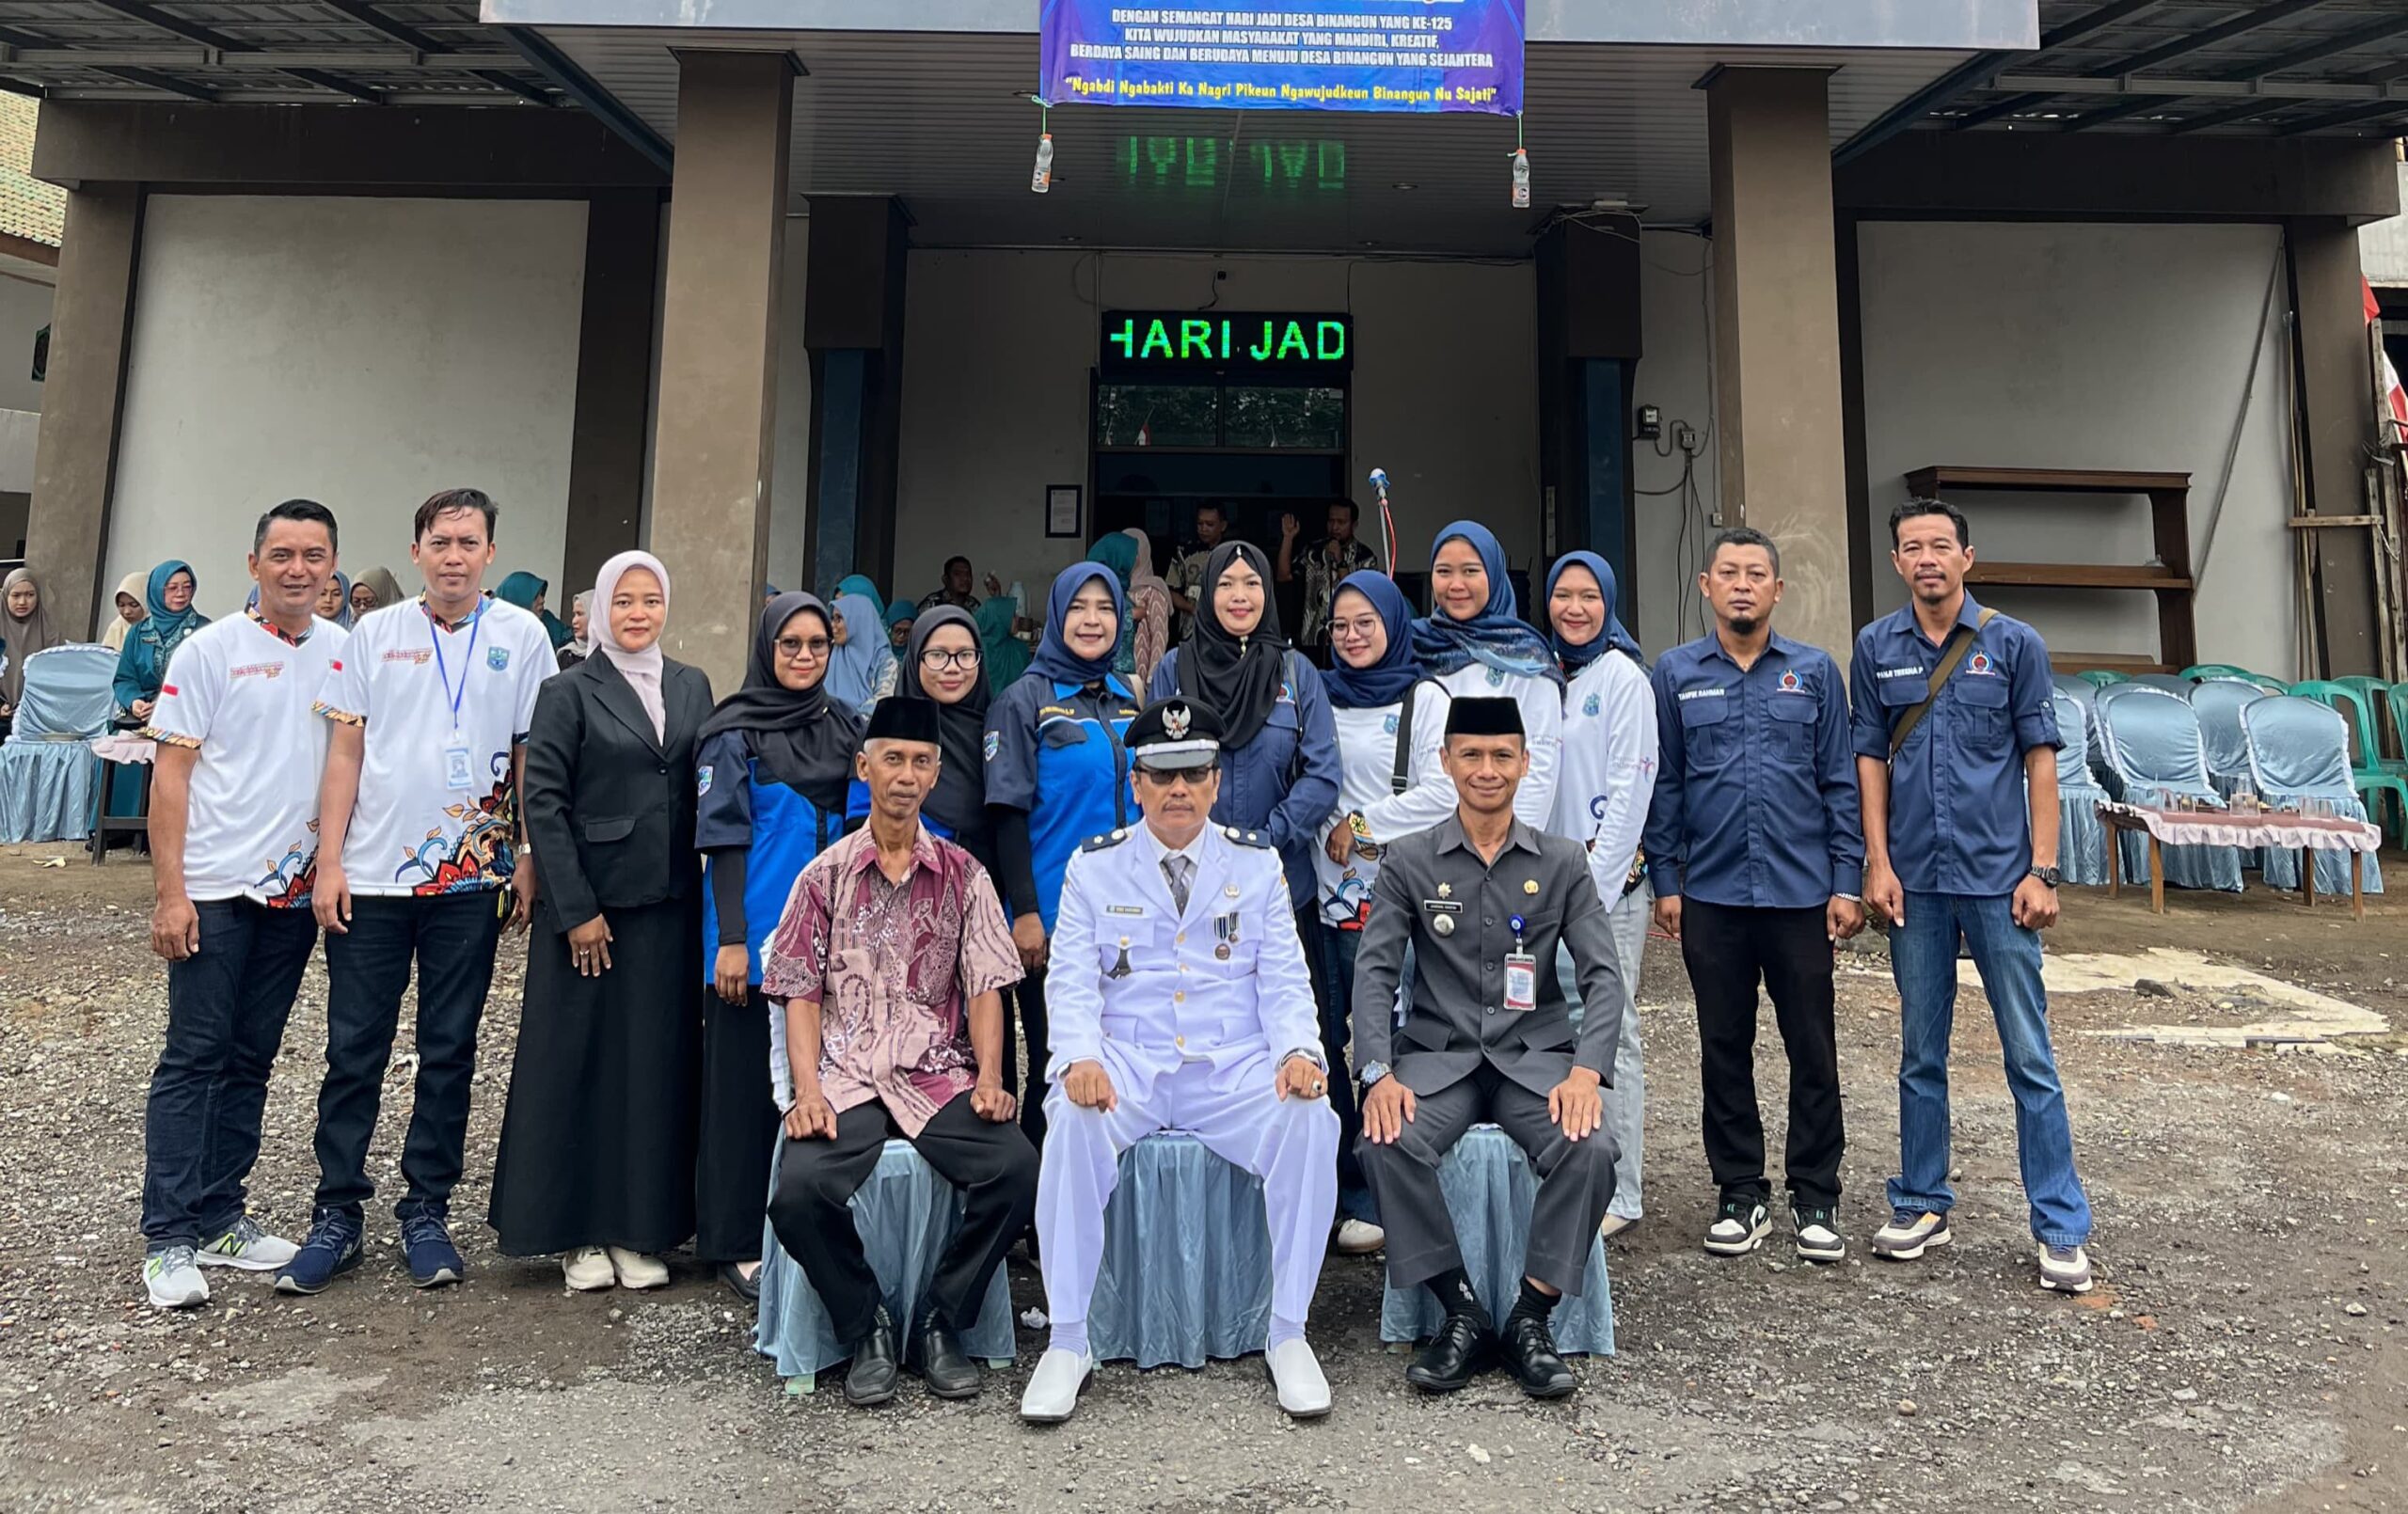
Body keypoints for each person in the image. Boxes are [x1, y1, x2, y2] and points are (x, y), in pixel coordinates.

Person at [1021, 699, 1339, 1424]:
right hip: (1128, 1064)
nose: (1178, 790)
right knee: (1070, 1121)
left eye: (1194, 773)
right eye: (1161, 775)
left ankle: (1288, 1331)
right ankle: (1068, 1340)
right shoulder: (1095, 866)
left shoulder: (1255, 863)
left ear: (1216, 782)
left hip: (1228, 1067)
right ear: (1135, 784)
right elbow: (1070, 981)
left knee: (1310, 1117)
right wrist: (1080, 1056)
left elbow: (1284, 979)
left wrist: (1298, 1051)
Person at [278, 488, 555, 1295]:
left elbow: (532, 753)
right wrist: (329, 861)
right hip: (370, 878)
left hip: (470, 878)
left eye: (468, 542)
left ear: (490, 553)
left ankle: (426, 1209)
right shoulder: (374, 633)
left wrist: (529, 852)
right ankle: (337, 1212)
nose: (453, 557)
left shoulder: (523, 636)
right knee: (353, 1049)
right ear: (416, 552)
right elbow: (344, 752)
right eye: (440, 542)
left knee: (450, 1047)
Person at [1852, 497, 2094, 1295]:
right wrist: (1877, 864)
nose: (1926, 558)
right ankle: (1921, 1201)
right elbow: (1869, 761)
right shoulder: (1875, 647)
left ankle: (2059, 1224)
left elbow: (2040, 759)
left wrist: (2043, 870)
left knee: (2029, 1056)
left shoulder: (2014, 643)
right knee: (1920, 1054)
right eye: (1911, 547)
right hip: (1915, 885)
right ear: (1897, 562)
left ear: (1967, 556)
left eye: (1939, 545)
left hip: (1999, 884)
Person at [1353, 696, 1626, 1399]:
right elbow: (1375, 972)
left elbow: (1603, 976)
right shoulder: (1409, 860)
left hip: (1534, 1061)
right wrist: (1377, 1072)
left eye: (1502, 755)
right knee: (1384, 1141)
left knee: (1593, 1147)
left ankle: (1531, 1317)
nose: (1487, 769)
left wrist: (1587, 1072)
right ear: (1445, 762)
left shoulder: (1562, 862)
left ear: (1525, 763)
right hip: (1438, 1059)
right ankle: (1463, 1312)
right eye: (1471, 754)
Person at [763, 696, 1034, 1406]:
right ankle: (866, 1327)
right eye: (892, 760)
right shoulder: (822, 878)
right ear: (865, 767)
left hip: (934, 1075)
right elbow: (799, 993)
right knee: (797, 1196)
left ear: (936, 773)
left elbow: (985, 985)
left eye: (920, 762)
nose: (906, 776)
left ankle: (942, 1320)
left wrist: (991, 1078)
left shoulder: (966, 876)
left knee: (1016, 1171)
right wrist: (807, 1093)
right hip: (848, 1078)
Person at [136, 499, 347, 1309]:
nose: (298, 569)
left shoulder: (343, 653)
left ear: (332, 566)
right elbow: (171, 777)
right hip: (214, 888)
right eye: (282, 554)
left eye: (314, 555)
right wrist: (170, 893)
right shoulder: (209, 650)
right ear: (253, 564)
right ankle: (169, 1236)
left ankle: (222, 1217)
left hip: (292, 892)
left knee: (252, 1057)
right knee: (194, 1057)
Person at [491, 550, 715, 1290]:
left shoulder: (691, 684)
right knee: (577, 1064)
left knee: (651, 1066)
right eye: (624, 601)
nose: (638, 614)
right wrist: (576, 909)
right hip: (592, 909)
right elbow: (544, 801)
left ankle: (639, 1226)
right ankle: (575, 1232)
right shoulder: (567, 690)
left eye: (650, 600)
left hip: (669, 908)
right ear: (601, 611)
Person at [1643, 529, 1862, 1262]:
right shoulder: (1675, 673)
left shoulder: (1814, 672)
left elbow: (1839, 782)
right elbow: (1666, 783)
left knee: (1813, 1047)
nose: (1743, 585)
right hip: (1712, 894)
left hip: (1801, 895)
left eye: (1757, 574)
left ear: (1778, 589)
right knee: (1722, 1046)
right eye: (1730, 573)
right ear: (1706, 585)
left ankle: (1816, 1195)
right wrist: (1666, 881)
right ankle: (1740, 1191)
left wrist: (1846, 880)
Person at [694, 591, 864, 1301]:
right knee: (742, 1094)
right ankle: (735, 1239)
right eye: (789, 644)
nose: (803, 656)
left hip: (833, 939)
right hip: (756, 936)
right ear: (767, 648)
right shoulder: (732, 731)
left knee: (819, 1085)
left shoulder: (848, 725)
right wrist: (731, 941)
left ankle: (807, 1232)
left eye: (817, 644)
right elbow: (722, 838)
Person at [1312, 569, 1456, 1256]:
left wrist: (1363, 824)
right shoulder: (1317, 692)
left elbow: (1446, 792)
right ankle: (1342, 1184)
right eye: (1340, 625)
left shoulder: (1423, 698)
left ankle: (1389, 1189)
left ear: (1394, 623)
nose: (1352, 636)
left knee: (1393, 1044)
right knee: (1324, 1043)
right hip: (1320, 897)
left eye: (1365, 622)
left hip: (1396, 899)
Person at [983, 563, 1142, 1145]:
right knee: (1056, 1068)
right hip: (1054, 919)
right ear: (1055, 616)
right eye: (1078, 607)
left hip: (1131, 916)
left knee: (1121, 1063)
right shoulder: (1024, 700)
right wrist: (1025, 912)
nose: (1092, 620)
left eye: (1104, 608)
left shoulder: (1130, 697)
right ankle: (1043, 1195)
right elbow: (1006, 813)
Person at [1541, 551, 1656, 1244]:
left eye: (1589, 596)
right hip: (1541, 886)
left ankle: (1622, 1188)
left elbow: (1631, 790)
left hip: (1604, 890)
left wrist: (1592, 891)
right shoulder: (1546, 675)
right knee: (1552, 1028)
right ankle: (1568, 1168)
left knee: (1609, 1028)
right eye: (1563, 595)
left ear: (1608, 603)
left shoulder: (1622, 678)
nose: (1575, 608)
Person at [1148, 541, 1340, 917]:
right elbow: (1151, 768)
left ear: (1267, 591)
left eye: (1252, 583)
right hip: (1191, 886)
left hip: (1279, 883)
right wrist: (1199, 841)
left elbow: (1323, 774)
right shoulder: (1174, 671)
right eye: (1225, 584)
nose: (1240, 596)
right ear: (1208, 592)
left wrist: (1266, 838)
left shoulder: (1296, 673)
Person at [1412, 522, 1562, 827]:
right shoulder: (1413, 646)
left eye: (1470, 571)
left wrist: (1511, 847)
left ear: (1493, 575)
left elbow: (1539, 770)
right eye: (1444, 572)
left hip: (1501, 842)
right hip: (1422, 840)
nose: (1456, 585)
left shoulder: (1526, 657)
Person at [1277, 501, 1379, 666]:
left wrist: (1340, 561)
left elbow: (1360, 597)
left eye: (1341, 522)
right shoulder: (1313, 551)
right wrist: (1288, 538)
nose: (1335, 527)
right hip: (1312, 639)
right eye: (1331, 521)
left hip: (1351, 639)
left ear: (1354, 525)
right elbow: (1283, 576)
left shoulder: (1365, 558)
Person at [114, 560, 208, 724]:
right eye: (172, 588)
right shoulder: (138, 632)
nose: (181, 593)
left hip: (187, 720)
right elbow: (124, 678)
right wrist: (134, 701)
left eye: (187, 587)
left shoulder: (204, 630)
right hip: (140, 720)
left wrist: (166, 704)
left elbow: (206, 682)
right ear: (156, 590)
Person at [1, 567, 62, 734]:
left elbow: (58, 676)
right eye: (16, 595)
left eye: (29, 595)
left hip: (37, 719)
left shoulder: (48, 629)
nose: (22, 602)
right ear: (5, 596)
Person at [1164, 501, 1229, 642]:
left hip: (1225, 629)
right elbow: (1171, 590)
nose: (1203, 528)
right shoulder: (1183, 552)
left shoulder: (1232, 554)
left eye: (1210, 524)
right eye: (1200, 524)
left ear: (1223, 526)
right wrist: (1192, 609)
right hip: (1189, 630)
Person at [825, 591, 897, 718]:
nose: (833, 625)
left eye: (839, 619)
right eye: (833, 618)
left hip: (864, 727)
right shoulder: (830, 652)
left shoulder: (885, 661)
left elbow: (882, 703)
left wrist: (848, 724)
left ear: (857, 620)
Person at [1120, 528, 1173, 686]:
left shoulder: (1153, 590)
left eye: (1134, 552)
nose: (1129, 557)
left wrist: (1153, 677)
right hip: (1115, 676)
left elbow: (1159, 636)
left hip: (1141, 678)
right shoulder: (1114, 585)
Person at [495, 571, 572, 653]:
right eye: (535, 596)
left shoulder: (548, 622)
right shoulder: (493, 631)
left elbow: (573, 640)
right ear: (518, 599)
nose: (542, 600)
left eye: (541, 594)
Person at [974, 592, 1031, 695]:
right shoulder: (976, 652)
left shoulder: (1020, 649)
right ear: (999, 619)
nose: (1018, 618)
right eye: (1013, 615)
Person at [917, 556, 986, 613]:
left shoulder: (974, 604)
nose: (965, 578)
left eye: (968, 574)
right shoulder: (932, 603)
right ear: (945, 579)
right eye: (957, 574)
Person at [101, 571, 149, 653]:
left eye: (134, 605)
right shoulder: (117, 627)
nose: (127, 612)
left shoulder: (160, 627)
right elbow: (105, 656)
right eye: (121, 605)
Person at [558, 590, 592, 672]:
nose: (574, 621)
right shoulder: (565, 654)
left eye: (579, 614)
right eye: (574, 614)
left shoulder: (609, 655)